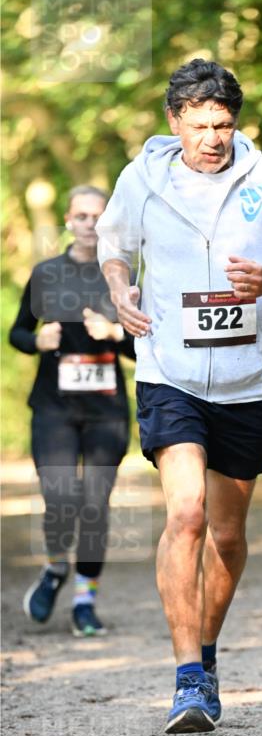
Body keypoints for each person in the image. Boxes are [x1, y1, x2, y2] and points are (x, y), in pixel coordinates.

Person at [96, 58, 262, 735]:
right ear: (173, 121)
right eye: (198, 124)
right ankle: (186, 680)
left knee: (226, 536)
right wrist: (119, 289)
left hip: (248, 383)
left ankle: (205, 651)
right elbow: (115, 246)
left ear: (237, 121)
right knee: (188, 515)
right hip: (169, 372)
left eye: (222, 124)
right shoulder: (142, 180)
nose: (211, 137)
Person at [9, 185, 136, 637]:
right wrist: (36, 340)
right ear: (68, 221)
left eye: (97, 216)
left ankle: (85, 600)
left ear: (108, 223)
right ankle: (54, 568)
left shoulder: (121, 277)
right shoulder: (46, 274)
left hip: (106, 413)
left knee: (95, 506)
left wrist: (116, 334)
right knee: (61, 499)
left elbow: (148, 349)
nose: (89, 224)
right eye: (81, 216)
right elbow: (17, 332)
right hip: (54, 410)